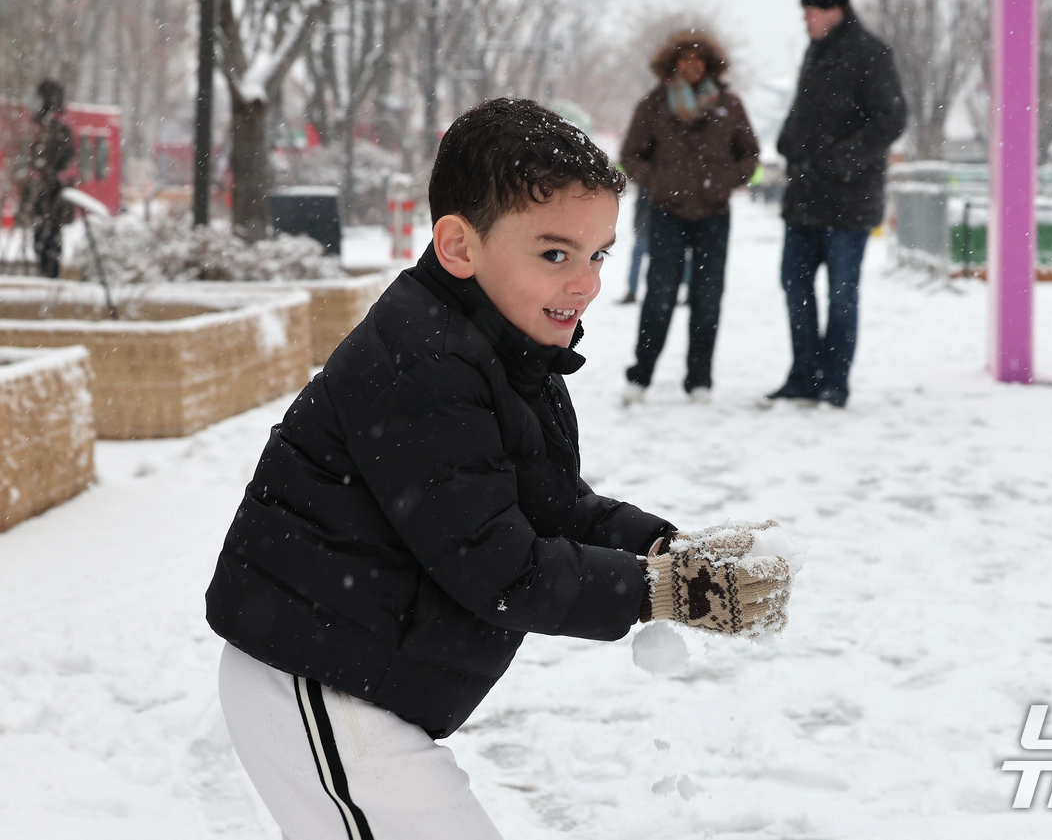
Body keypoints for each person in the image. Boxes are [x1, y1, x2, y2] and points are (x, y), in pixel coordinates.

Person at [204, 98, 789, 839]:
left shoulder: (499, 350)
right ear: (459, 246)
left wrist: (666, 552)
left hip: (352, 674)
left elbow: (552, 505)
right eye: (555, 254)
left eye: (598, 253)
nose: (587, 283)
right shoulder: (424, 364)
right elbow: (500, 568)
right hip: (314, 684)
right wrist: (661, 592)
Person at [767, 0, 907, 409]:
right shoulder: (816, 51)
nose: (806, 20)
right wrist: (787, 141)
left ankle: (834, 383)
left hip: (849, 201)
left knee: (842, 296)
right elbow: (805, 111)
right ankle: (803, 376)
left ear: (834, 10)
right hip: (803, 199)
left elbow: (891, 119)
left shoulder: (871, 53)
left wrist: (839, 162)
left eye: (810, 11)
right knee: (795, 286)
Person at [620, 31, 759, 405]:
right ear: (672, 65)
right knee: (659, 295)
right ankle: (640, 375)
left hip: (715, 214)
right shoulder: (654, 105)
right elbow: (631, 155)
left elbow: (750, 154)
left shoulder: (729, 104)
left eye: (699, 60)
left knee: (708, 298)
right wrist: (658, 182)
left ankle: (700, 380)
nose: (692, 66)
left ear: (710, 65)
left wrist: (726, 181)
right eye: (685, 60)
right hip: (667, 212)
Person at [18, 79, 75, 279]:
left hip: (51, 201)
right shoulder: (47, 128)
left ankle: (50, 285)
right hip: (46, 201)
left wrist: (45, 178)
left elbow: (59, 162)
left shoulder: (57, 129)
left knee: (49, 245)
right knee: (43, 243)